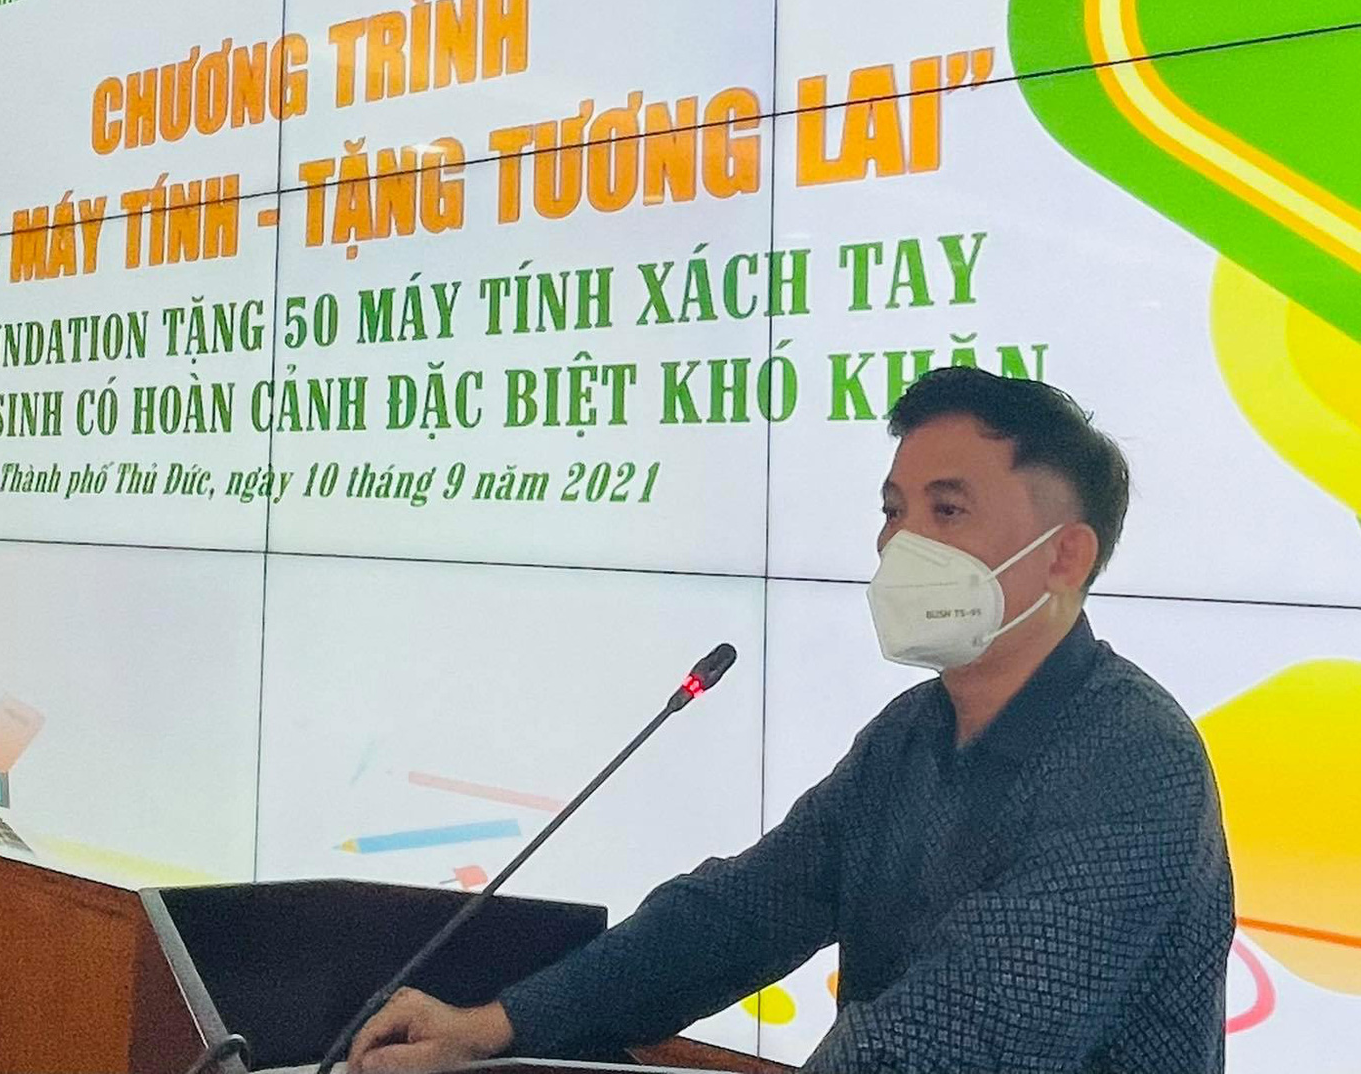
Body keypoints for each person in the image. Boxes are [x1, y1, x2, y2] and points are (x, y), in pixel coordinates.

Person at [347, 367, 1234, 1073]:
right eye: (893, 510)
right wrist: (496, 1024)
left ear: (1064, 558)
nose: (899, 542)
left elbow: (960, 1032)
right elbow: (737, 917)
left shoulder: (1137, 759)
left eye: (947, 510)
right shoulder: (909, 736)